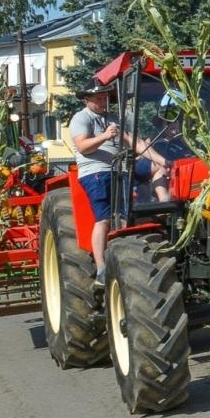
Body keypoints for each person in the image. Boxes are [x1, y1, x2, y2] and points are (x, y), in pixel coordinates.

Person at [69, 85, 172, 291]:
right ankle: (101, 269)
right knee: (104, 219)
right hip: (97, 172)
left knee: (128, 213)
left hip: (121, 169)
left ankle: (165, 209)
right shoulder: (81, 118)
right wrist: (105, 136)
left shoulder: (113, 117)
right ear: (86, 100)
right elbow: (82, 147)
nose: (102, 102)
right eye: (98, 99)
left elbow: (135, 143)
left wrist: (162, 160)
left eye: (104, 98)